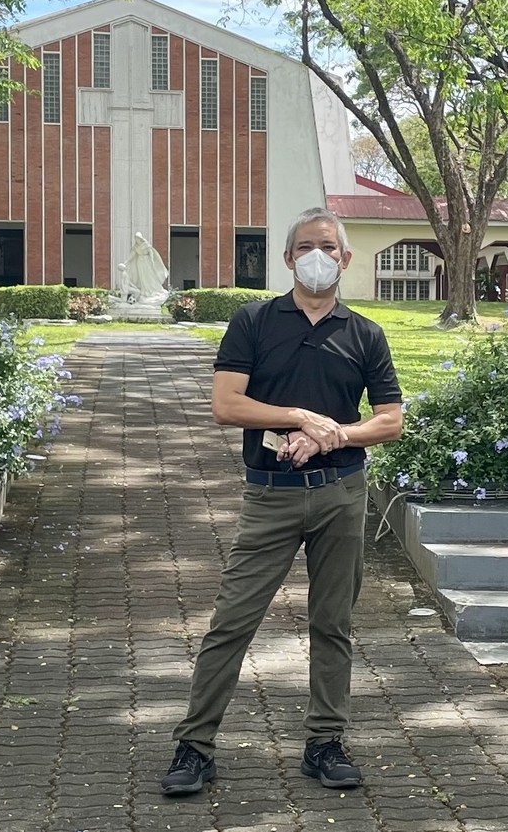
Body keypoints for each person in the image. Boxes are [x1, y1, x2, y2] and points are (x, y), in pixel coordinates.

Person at [161, 208, 404, 797]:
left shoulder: (365, 334)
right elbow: (226, 405)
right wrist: (298, 416)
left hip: (342, 494)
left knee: (333, 624)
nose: (318, 256)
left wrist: (333, 435)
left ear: (345, 259)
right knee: (231, 622)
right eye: (306, 246)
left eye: (329, 247)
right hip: (270, 495)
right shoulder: (254, 321)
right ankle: (195, 746)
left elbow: (390, 420)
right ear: (289, 257)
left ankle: (325, 743)